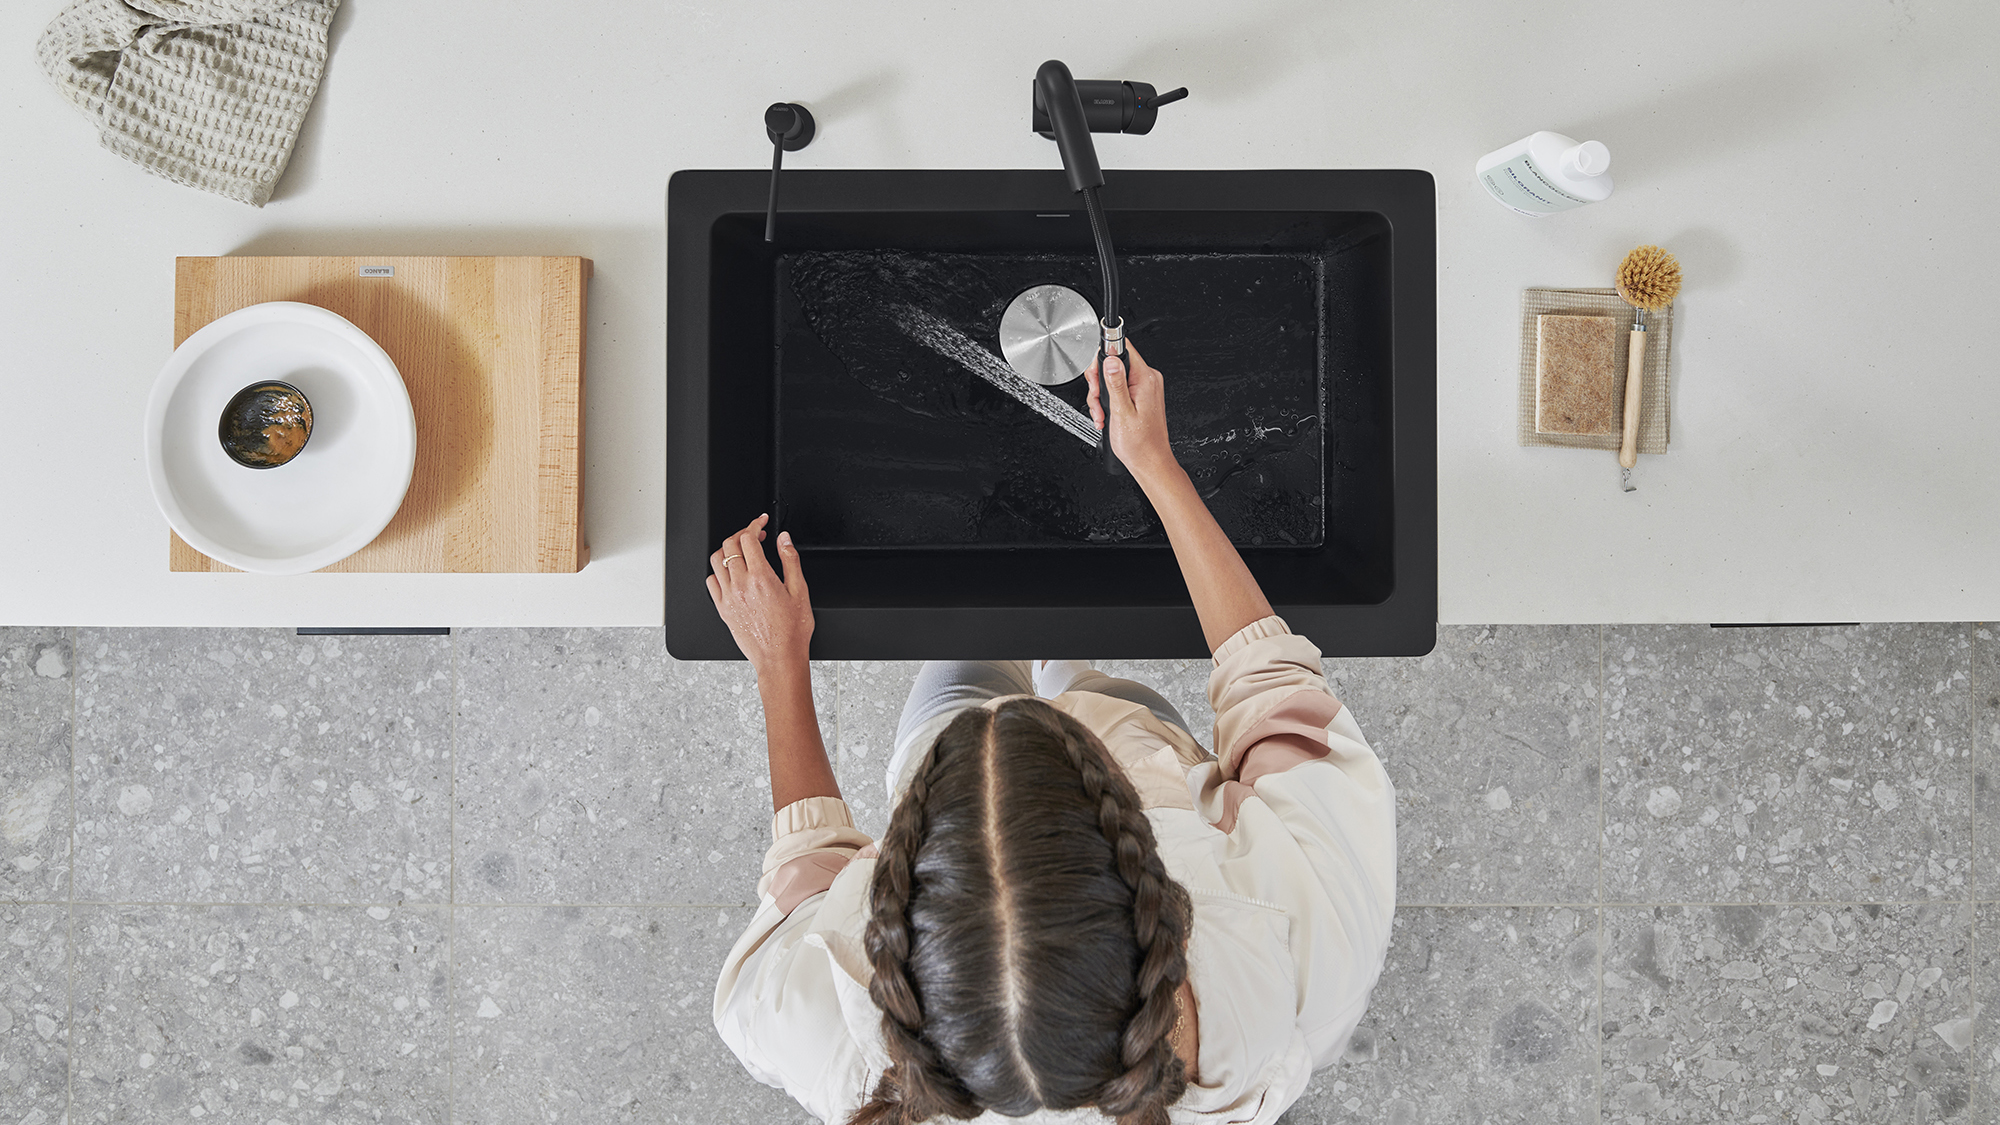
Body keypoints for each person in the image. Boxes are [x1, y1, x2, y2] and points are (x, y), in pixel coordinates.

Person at [706, 342, 1397, 1125]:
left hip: (1031, 752)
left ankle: (1036, 650)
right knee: (1077, 667)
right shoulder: (1305, 939)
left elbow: (808, 869)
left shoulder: (819, 1027)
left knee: (986, 636)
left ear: (895, 900)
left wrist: (778, 664)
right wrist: (1159, 468)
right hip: (1138, 746)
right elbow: (1273, 693)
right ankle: (1066, 666)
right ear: (1143, 863)